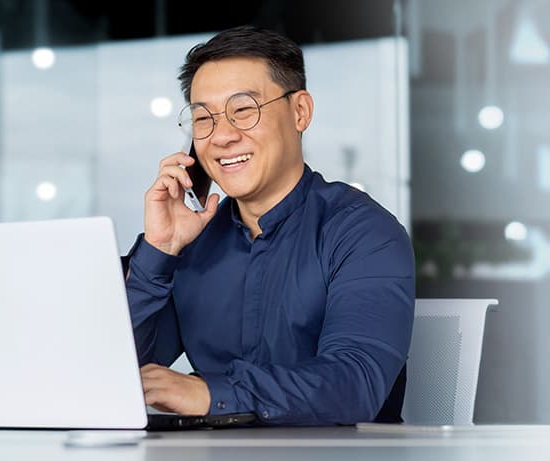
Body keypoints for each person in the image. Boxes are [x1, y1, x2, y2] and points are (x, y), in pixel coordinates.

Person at [123, 25, 415, 425]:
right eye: (203, 118)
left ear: (300, 112)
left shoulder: (364, 233)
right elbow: (117, 371)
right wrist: (159, 252)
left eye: (243, 110)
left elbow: (354, 384)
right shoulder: (193, 241)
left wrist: (211, 394)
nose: (222, 135)